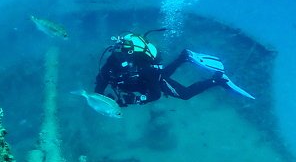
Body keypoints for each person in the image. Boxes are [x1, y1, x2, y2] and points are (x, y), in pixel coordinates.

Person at [93, 31, 254, 107]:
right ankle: (184, 57)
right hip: (147, 79)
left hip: (150, 78)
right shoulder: (111, 64)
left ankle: (217, 79)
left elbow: (155, 94)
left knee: (184, 94)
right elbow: (100, 84)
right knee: (161, 75)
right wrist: (103, 100)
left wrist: (135, 100)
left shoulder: (143, 71)